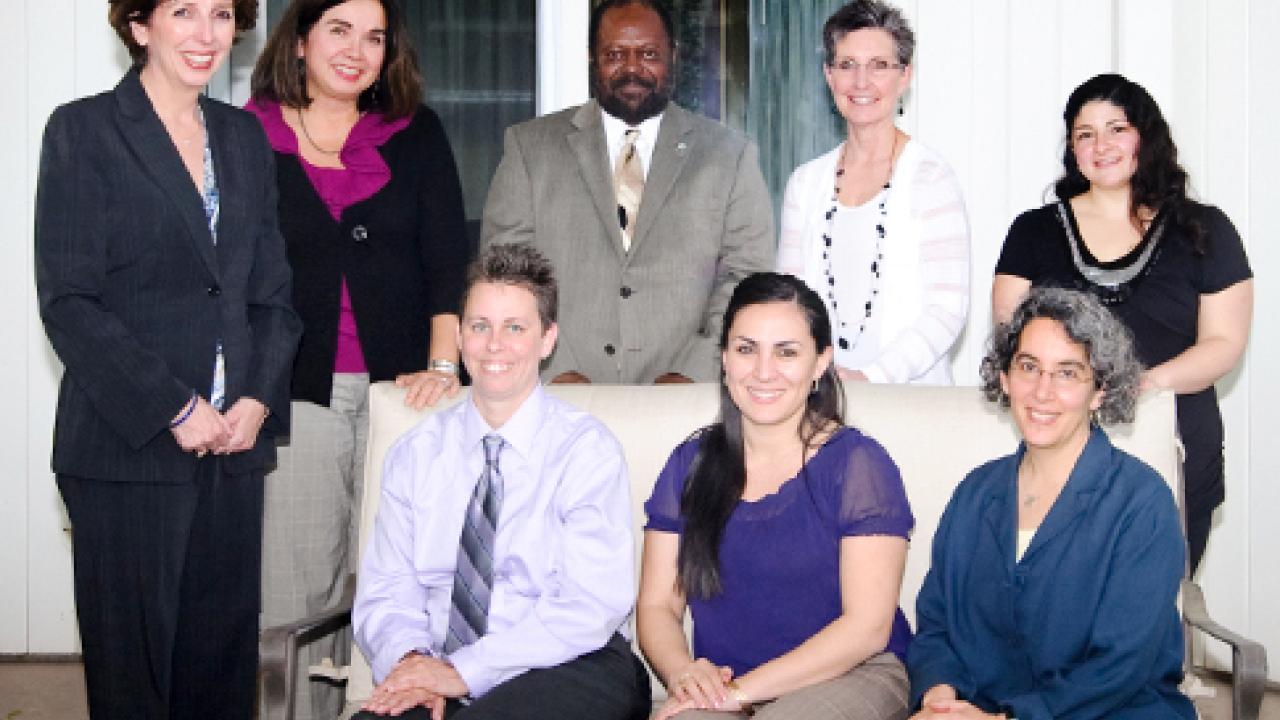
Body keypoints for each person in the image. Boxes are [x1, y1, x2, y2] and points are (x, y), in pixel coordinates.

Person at [34, 1, 302, 717]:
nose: (206, 33)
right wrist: (175, 406)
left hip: (234, 449)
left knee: (218, 678)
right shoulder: (83, 131)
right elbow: (69, 301)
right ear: (139, 26)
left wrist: (257, 398)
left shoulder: (245, 139)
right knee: (135, 685)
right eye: (182, 10)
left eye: (221, 13)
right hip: (128, 451)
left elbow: (273, 294)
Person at [246, 0, 470, 715]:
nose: (357, 50)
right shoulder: (246, 134)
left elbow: (446, 263)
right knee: (297, 594)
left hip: (403, 394)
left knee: (396, 586)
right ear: (302, 37)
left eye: (374, 37)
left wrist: (442, 369)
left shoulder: (417, 133)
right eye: (338, 30)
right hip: (292, 395)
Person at [352, 243, 651, 720]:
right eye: (480, 326)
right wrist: (413, 663)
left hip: (569, 662)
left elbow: (589, 604)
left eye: (515, 327)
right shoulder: (415, 454)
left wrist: (464, 672)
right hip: (435, 664)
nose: (495, 345)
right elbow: (386, 592)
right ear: (461, 335)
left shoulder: (586, 451)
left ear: (548, 339)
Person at [992, 73, 1253, 572]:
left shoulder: (1205, 230)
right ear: (1072, 148)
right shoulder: (1033, 230)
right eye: (1085, 134)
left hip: (1172, 440)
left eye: (1116, 129)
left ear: (1145, 138)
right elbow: (1012, 336)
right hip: (1057, 446)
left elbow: (1224, 342)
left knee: (1152, 612)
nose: (1101, 145)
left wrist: (1146, 384)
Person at [908, 288, 1194, 720]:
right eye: (1028, 367)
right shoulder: (975, 492)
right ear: (1005, 378)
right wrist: (940, 700)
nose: (1042, 392)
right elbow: (936, 624)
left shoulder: (1142, 504)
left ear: (1099, 389)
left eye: (1067, 373)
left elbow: (1120, 667)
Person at [638, 272, 913, 720]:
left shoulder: (859, 464)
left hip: (853, 673)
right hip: (726, 684)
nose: (764, 371)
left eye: (787, 352)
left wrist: (742, 693)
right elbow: (657, 604)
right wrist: (686, 675)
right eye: (747, 349)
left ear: (820, 362)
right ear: (725, 358)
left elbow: (866, 628)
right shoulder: (690, 464)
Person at [480, 0, 774, 385]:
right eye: (615, 54)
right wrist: (555, 366)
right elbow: (505, 272)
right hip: (558, 395)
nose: (632, 68)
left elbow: (747, 279)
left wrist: (695, 371)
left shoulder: (730, 155)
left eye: (649, 54)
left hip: (688, 400)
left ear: (674, 56)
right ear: (591, 59)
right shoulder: (529, 147)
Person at [777, 0, 969, 385]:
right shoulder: (805, 184)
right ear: (829, 76)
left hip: (909, 404)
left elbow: (947, 309)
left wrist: (872, 379)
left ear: (905, 76)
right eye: (847, 65)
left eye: (879, 65)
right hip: (820, 400)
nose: (861, 82)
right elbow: (789, 305)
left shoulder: (931, 178)